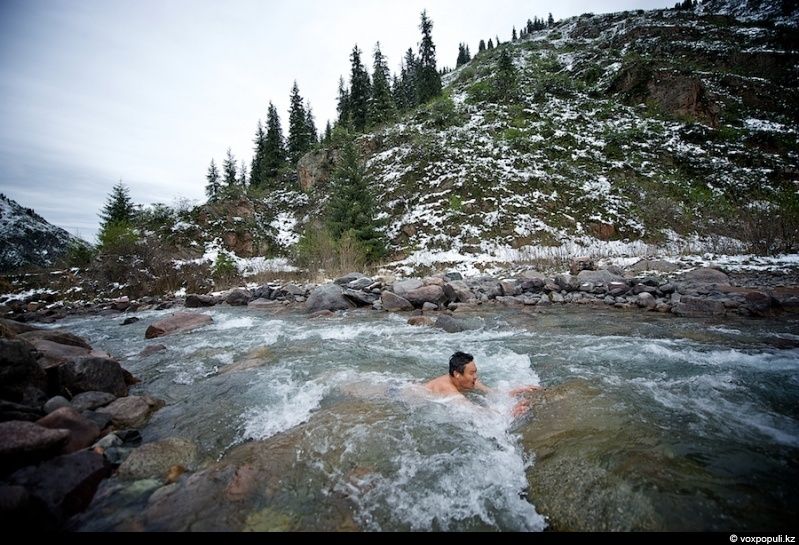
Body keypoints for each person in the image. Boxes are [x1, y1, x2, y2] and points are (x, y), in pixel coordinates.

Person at [424, 351, 542, 415]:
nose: (475, 377)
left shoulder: (466, 381)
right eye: (471, 373)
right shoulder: (448, 390)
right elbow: (474, 412)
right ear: (457, 374)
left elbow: (492, 392)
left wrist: (517, 390)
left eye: (475, 372)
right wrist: (509, 413)